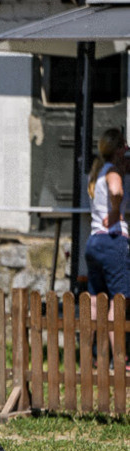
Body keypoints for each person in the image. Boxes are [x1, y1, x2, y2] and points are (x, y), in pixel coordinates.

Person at [84, 128, 130, 368]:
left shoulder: (97, 171)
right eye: (124, 145)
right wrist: (114, 212)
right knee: (117, 301)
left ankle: (88, 356)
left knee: (94, 300)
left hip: (94, 242)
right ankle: (119, 359)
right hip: (112, 240)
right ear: (117, 148)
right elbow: (117, 190)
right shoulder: (113, 172)